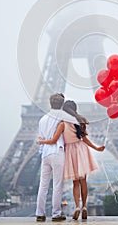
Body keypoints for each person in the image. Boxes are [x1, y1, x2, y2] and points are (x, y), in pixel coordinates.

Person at [39, 100, 105, 220]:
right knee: (83, 181)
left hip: (69, 152)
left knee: (75, 182)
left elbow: (54, 139)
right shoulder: (80, 122)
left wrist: (41, 141)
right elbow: (85, 140)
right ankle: (84, 206)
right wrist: (97, 148)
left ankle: (77, 207)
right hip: (81, 150)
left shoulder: (63, 124)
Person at [35, 93, 81, 223]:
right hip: (57, 152)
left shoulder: (42, 119)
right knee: (57, 185)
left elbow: (40, 138)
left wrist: (42, 143)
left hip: (45, 154)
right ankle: (56, 214)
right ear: (61, 104)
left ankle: (40, 213)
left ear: (50, 103)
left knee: (43, 185)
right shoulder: (63, 119)